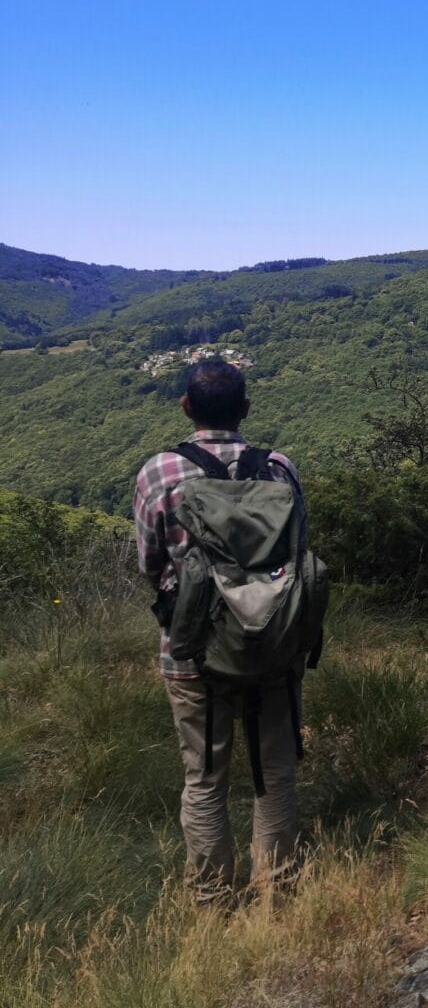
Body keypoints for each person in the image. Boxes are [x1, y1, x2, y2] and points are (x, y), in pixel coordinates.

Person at [134, 359, 307, 905]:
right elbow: (298, 552)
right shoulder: (278, 468)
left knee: (205, 777)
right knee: (274, 773)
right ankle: (278, 896)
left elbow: (149, 564)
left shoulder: (159, 473)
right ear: (246, 409)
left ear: (186, 407)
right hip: (272, 646)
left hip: (191, 653)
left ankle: (212, 902)